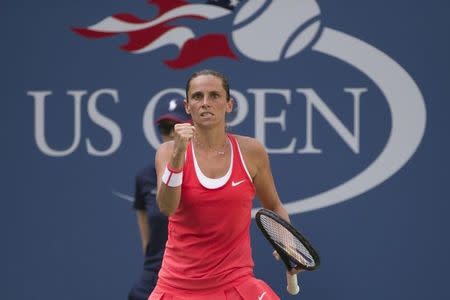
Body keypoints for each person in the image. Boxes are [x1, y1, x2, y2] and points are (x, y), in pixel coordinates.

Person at [149, 69, 300, 300]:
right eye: (197, 97)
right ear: (187, 106)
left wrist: (288, 243)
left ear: (229, 105)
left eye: (214, 96)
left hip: (236, 284)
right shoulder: (168, 152)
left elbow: (274, 206)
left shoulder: (252, 152)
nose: (205, 103)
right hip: (177, 288)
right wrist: (179, 154)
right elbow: (167, 207)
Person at [128, 97, 191, 300]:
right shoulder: (145, 177)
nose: (173, 134)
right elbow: (148, 240)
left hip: (195, 279)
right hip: (155, 279)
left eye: (179, 127)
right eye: (166, 127)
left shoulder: (210, 174)